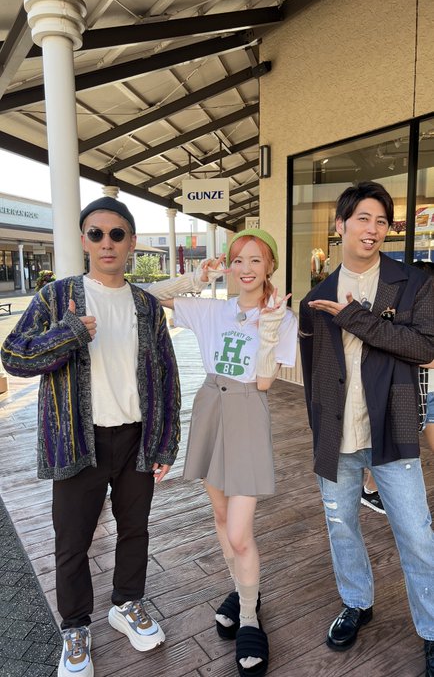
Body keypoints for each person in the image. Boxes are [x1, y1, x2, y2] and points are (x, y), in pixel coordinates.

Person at [1, 197, 181, 677]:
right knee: (72, 540)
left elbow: (167, 375)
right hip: (77, 441)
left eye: (116, 234)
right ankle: (75, 626)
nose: (107, 243)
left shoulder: (146, 305)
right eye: (96, 234)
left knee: (135, 529)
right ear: (84, 240)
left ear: (131, 242)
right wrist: (68, 334)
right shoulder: (57, 297)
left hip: (136, 439)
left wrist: (166, 441)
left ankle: (127, 603)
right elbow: (14, 356)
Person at [299, 181, 434, 675]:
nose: (373, 229)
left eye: (381, 221)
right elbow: (313, 373)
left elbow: (425, 348)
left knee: (416, 534)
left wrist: (357, 318)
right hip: (336, 435)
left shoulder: (412, 282)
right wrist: (319, 430)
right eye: (363, 219)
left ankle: (432, 629)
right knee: (342, 527)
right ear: (341, 225)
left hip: (392, 428)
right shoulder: (316, 298)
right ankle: (357, 601)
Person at [152, 228, 297, 677]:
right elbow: (146, 294)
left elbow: (266, 382)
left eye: (256, 259)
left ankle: (250, 616)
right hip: (211, 406)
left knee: (239, 533)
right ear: (229, 266)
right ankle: (242, 590)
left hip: (248, 409)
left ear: (270, 265)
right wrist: (197, 278)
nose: (246, 268)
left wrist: (268, 328)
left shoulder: (282, 315)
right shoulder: (213, 310)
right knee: (219, 516)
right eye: (238, 260)